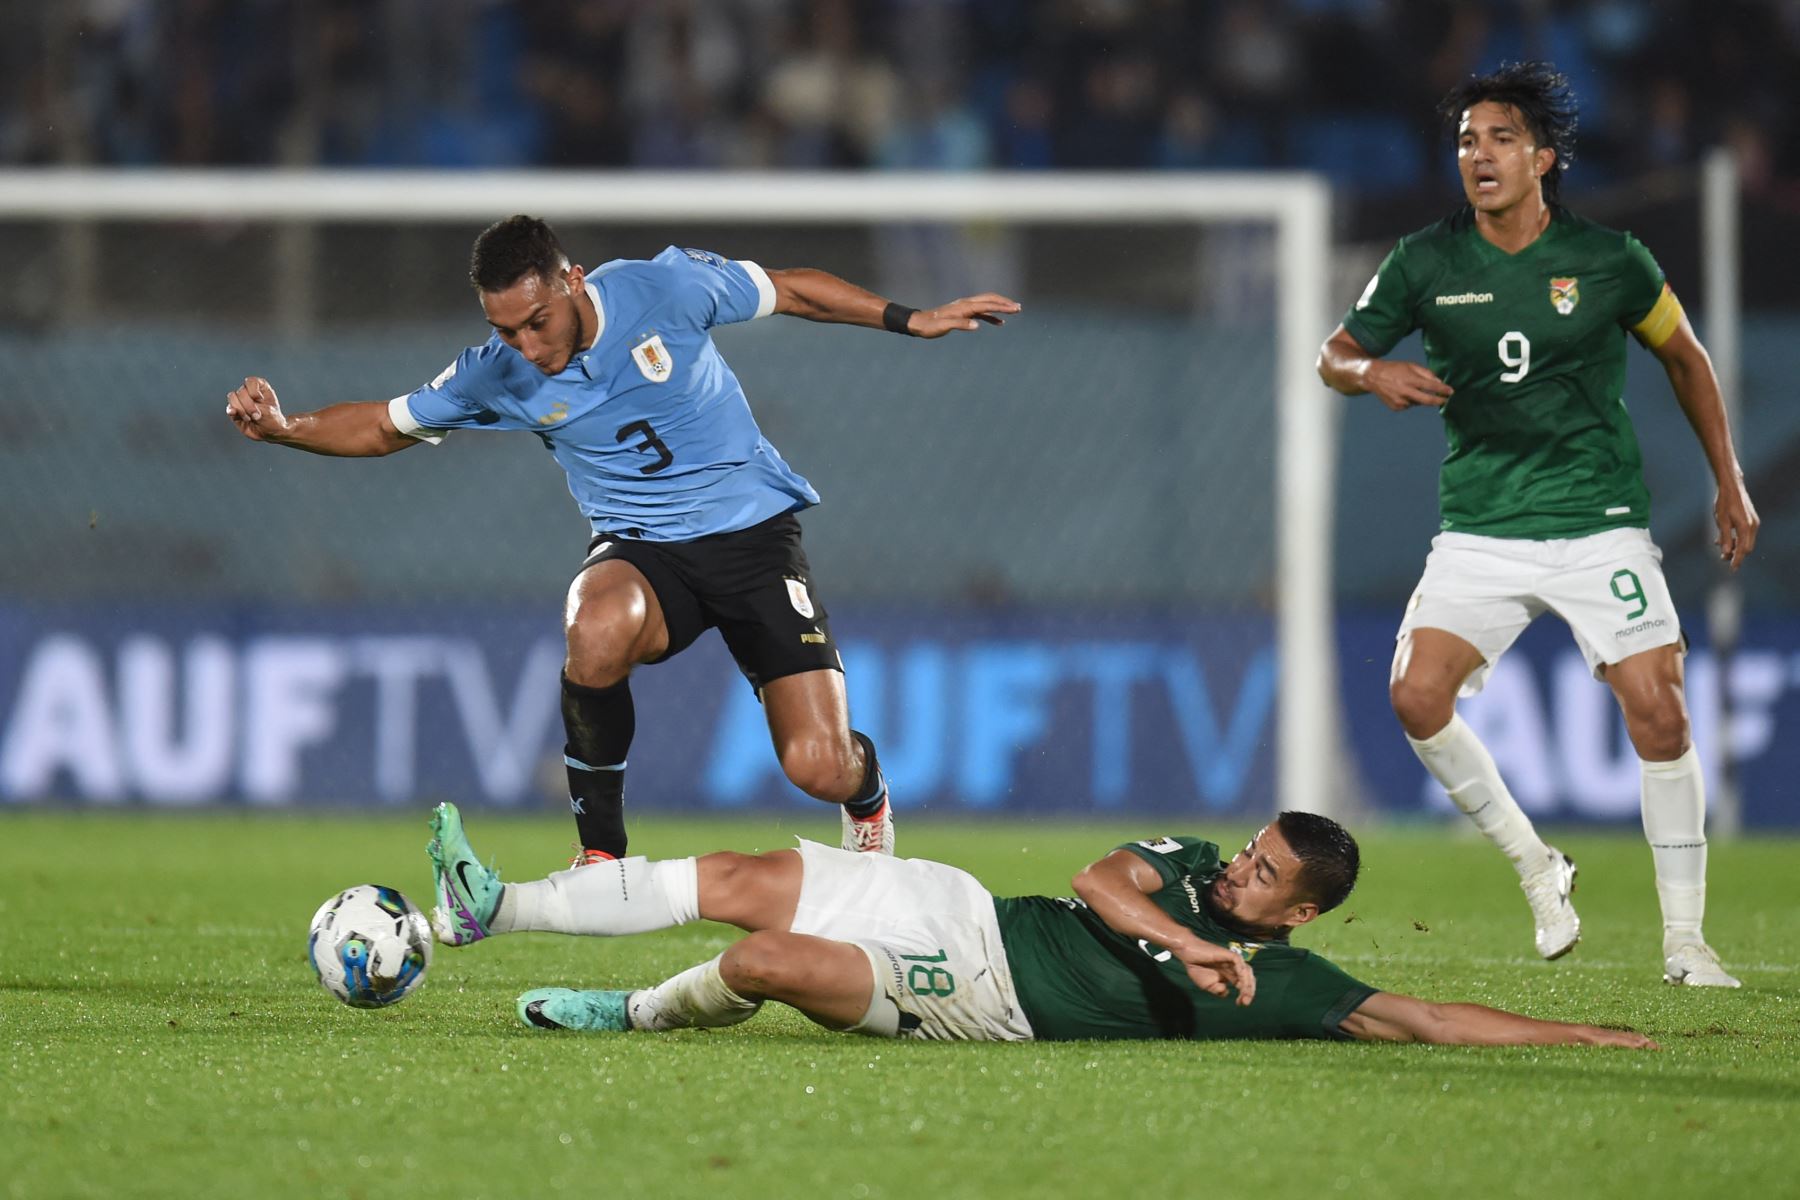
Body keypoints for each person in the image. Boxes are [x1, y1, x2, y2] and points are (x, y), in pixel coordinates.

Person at [226, 217, 1021, 863]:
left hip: (752, 539)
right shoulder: (497, 372)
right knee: (594, 625)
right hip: (644, 549)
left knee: (817, 765)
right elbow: (381, 425)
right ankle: (601, 855)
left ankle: (868, 796)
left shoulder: (663, 288)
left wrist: (909, 319)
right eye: (506, 332)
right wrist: (286, 427)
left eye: (537, 322)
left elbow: (789, 290)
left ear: (572, 281)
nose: (527, 348)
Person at [1315, 63, 1756, 986]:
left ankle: (1686, 943)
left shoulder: (1609, 259)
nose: (1479, 154)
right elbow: (1337, 352)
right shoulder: (1425, 261)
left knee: (1661, 710)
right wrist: (1372, 375)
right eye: (1468, 140)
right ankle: (1536, 866)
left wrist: (1729, 480)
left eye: (1501, 138)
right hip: (1482, 526)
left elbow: (1686, 357)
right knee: (1413, 695)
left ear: (1543, 159)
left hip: (1597, 524)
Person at [422, 801, 1658, 1049]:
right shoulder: (1181, 880)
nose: (1237, 870)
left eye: (1264, 872)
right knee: (748, 871)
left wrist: (1593, 1039)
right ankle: (501, 908)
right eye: (1248, 851)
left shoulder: (1279, 985)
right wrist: (1185, 935)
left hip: (980, 997)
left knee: (758, 962)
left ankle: (630, 1013)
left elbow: (1427, 1018)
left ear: (1306, 909)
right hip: (961, 905)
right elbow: (1099, 880)